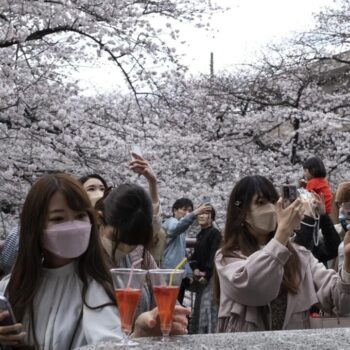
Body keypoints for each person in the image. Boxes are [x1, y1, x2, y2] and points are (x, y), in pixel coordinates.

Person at [0, 173, 190, 349]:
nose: (73, 226)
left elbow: (108, 340)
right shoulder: (10, 287)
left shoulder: (97, 287)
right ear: (35, 226)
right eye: (58, 219)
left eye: (80, 216)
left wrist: (138, 334)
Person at [215, 175, 350, 333]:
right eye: (260, 203)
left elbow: (341, 303)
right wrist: (282, 235)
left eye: (273, 201)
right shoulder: (227, 257)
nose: (271, 209)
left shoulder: (299, 256)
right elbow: (256, 288)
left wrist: (348, 266)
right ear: (242, 213)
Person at [100, 183, 158, 318]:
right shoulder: (85, 260)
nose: (125, 248)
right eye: (115, 238)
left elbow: (160, 299)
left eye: (133, 242)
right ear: (100, 219)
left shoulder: (141, 255)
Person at [162, 198, 211, 304]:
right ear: (175, 210)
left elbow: (183, 255)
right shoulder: (170, 222)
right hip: (169, 275)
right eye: (184, 209)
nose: (187, 213)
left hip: (177, 275)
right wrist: (194, 214)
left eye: (189, 211)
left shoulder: (182, 232)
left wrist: (188, 273)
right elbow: (176, 228)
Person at [188, 206, 222, 334]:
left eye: (205, 213)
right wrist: (195, 268)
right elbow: (195, 257)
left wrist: (207, 274)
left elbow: (214, 255)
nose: (201, 216)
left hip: (211, 278)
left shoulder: (215, 233)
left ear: (212, 217)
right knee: (200, 307)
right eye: (199, 214)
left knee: (208, 309)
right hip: (202, 278)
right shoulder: (200, 234)